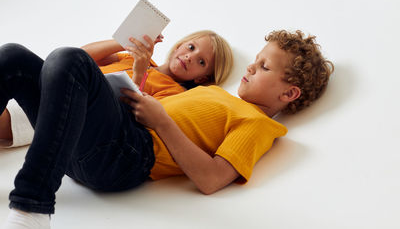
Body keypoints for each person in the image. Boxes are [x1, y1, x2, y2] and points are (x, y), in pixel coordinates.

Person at [1, 29, 333, 229]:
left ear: (288, 94)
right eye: (256, 59)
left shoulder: (258, 124)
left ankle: (31, 206)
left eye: (264, 67)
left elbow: (213, 178)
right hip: (96, 137)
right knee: (13, 57)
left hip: (126, 155)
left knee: (70, 60)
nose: (251, 67)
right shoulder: (211, 93)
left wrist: (160, 121)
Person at [0, 30, 233, 148]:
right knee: (12, 58)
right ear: (180, 44)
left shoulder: (176, 94)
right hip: (54, 86)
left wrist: (140, 74)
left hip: (77, 116)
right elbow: (76, 57)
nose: (189, 57)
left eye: (201, 62)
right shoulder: (129, 57)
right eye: (191, 47)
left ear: (202, 78)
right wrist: (125, 42)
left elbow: (138, 119)